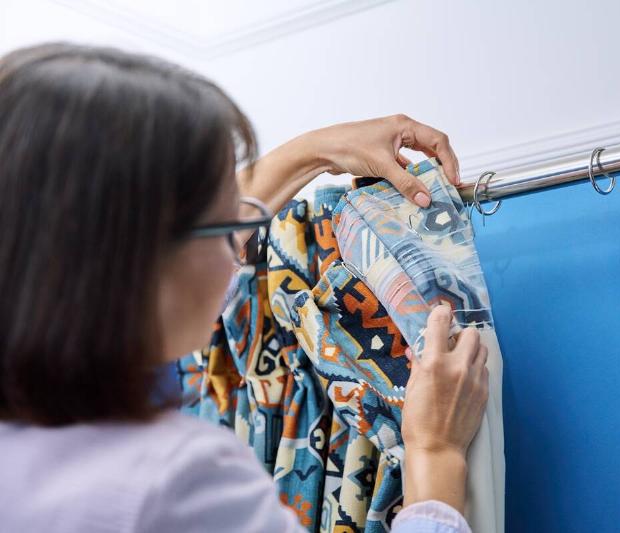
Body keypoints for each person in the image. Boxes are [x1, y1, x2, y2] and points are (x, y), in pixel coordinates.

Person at [0, 43, 490, 532]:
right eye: (222, 225)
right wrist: (435, 456)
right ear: (133, 265)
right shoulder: (177, 483)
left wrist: (314, 151)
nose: (241, 247)